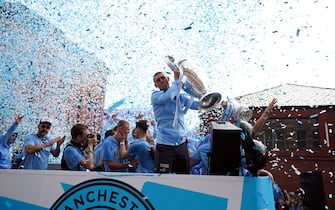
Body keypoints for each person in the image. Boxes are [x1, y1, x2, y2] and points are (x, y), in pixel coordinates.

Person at [151, 69, 199, 174]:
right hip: (165, 145)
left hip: (181, 144)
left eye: (163, 77)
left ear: (168, 78)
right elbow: (169, 96)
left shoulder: (180, 97)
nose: (162, 81)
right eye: (158, 80)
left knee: (184, 176)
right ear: (156, 85)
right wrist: (177, 81)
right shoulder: (155, 96)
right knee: (161, 178)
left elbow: (198, 105)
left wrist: (205, 95)